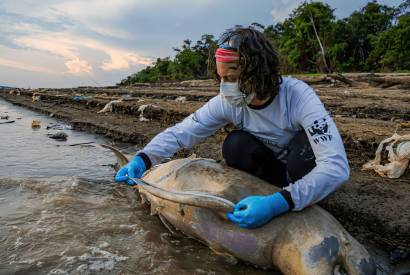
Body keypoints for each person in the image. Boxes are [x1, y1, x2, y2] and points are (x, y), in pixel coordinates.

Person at [115, 26, 350, 229]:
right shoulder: (228, 102)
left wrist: (279, 203)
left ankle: (297, 198)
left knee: (305, 149)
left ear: (259, 72)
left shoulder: (297, 96)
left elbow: (336, 167)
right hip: (271, 171)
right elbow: (183, 132)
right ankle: (267, 195)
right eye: (222, 79)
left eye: (233, 78)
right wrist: (144, 158)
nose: (226, 87)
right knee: (235, 145)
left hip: (299, 167)